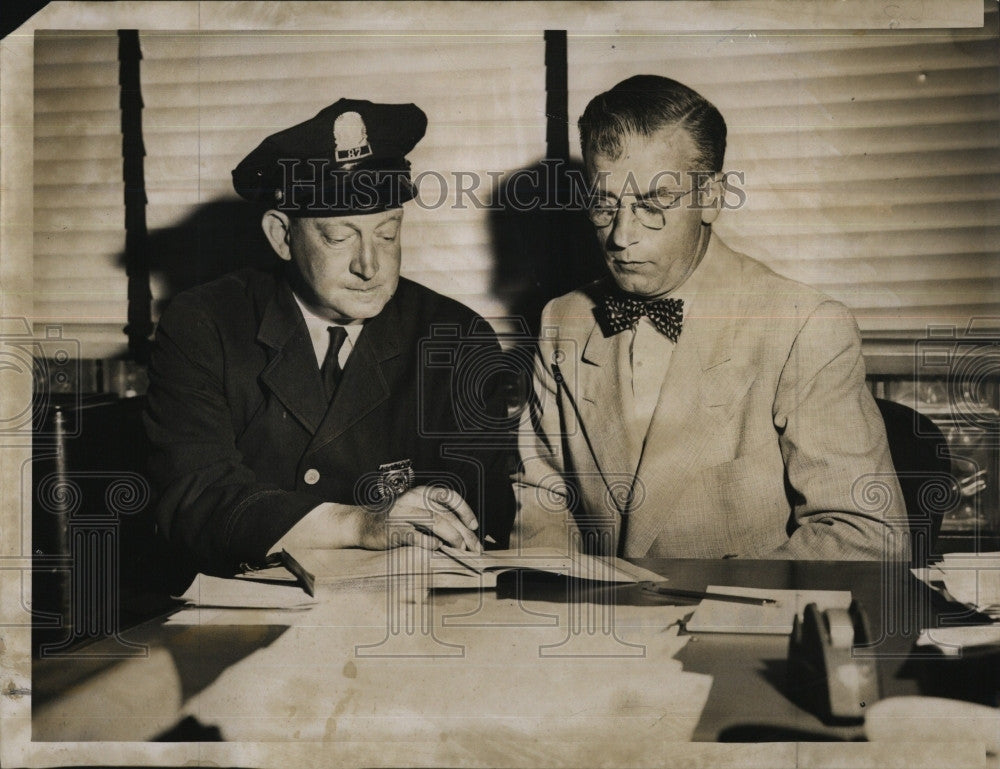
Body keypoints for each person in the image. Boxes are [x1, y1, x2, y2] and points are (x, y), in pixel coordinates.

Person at [514, 75, 909, 561]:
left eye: (654, 204)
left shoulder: (804, 326)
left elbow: (865, 537)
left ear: (711, 197)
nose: (621, 236)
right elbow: (542, 498)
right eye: (605, 203)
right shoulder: (565, 321)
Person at [145, 99, 515, 575]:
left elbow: (484, 502)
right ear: (281, 236)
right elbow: (194, 494)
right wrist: (359, 525)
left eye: (387, 233)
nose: (370, 266)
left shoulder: (456, 337)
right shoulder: (205, 324)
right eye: (339, 239)